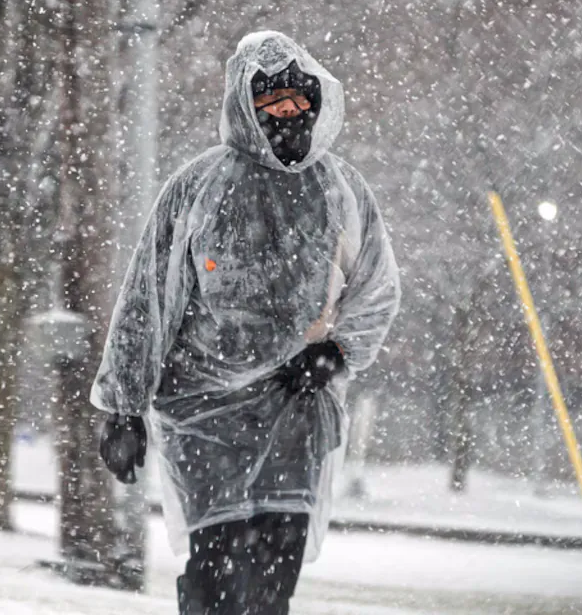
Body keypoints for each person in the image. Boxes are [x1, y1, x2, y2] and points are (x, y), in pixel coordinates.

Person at [91, 31, 401, 615]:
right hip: (204, 408)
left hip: (295, 408)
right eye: (272, 104)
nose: (288, 116)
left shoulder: (341, 190)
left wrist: (336, 351)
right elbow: (146, 301)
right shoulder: (198, 188)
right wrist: (123, 406)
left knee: (274, 572)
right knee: (219, 565)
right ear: (244, 106)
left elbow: (377, 287)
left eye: (298, 102)